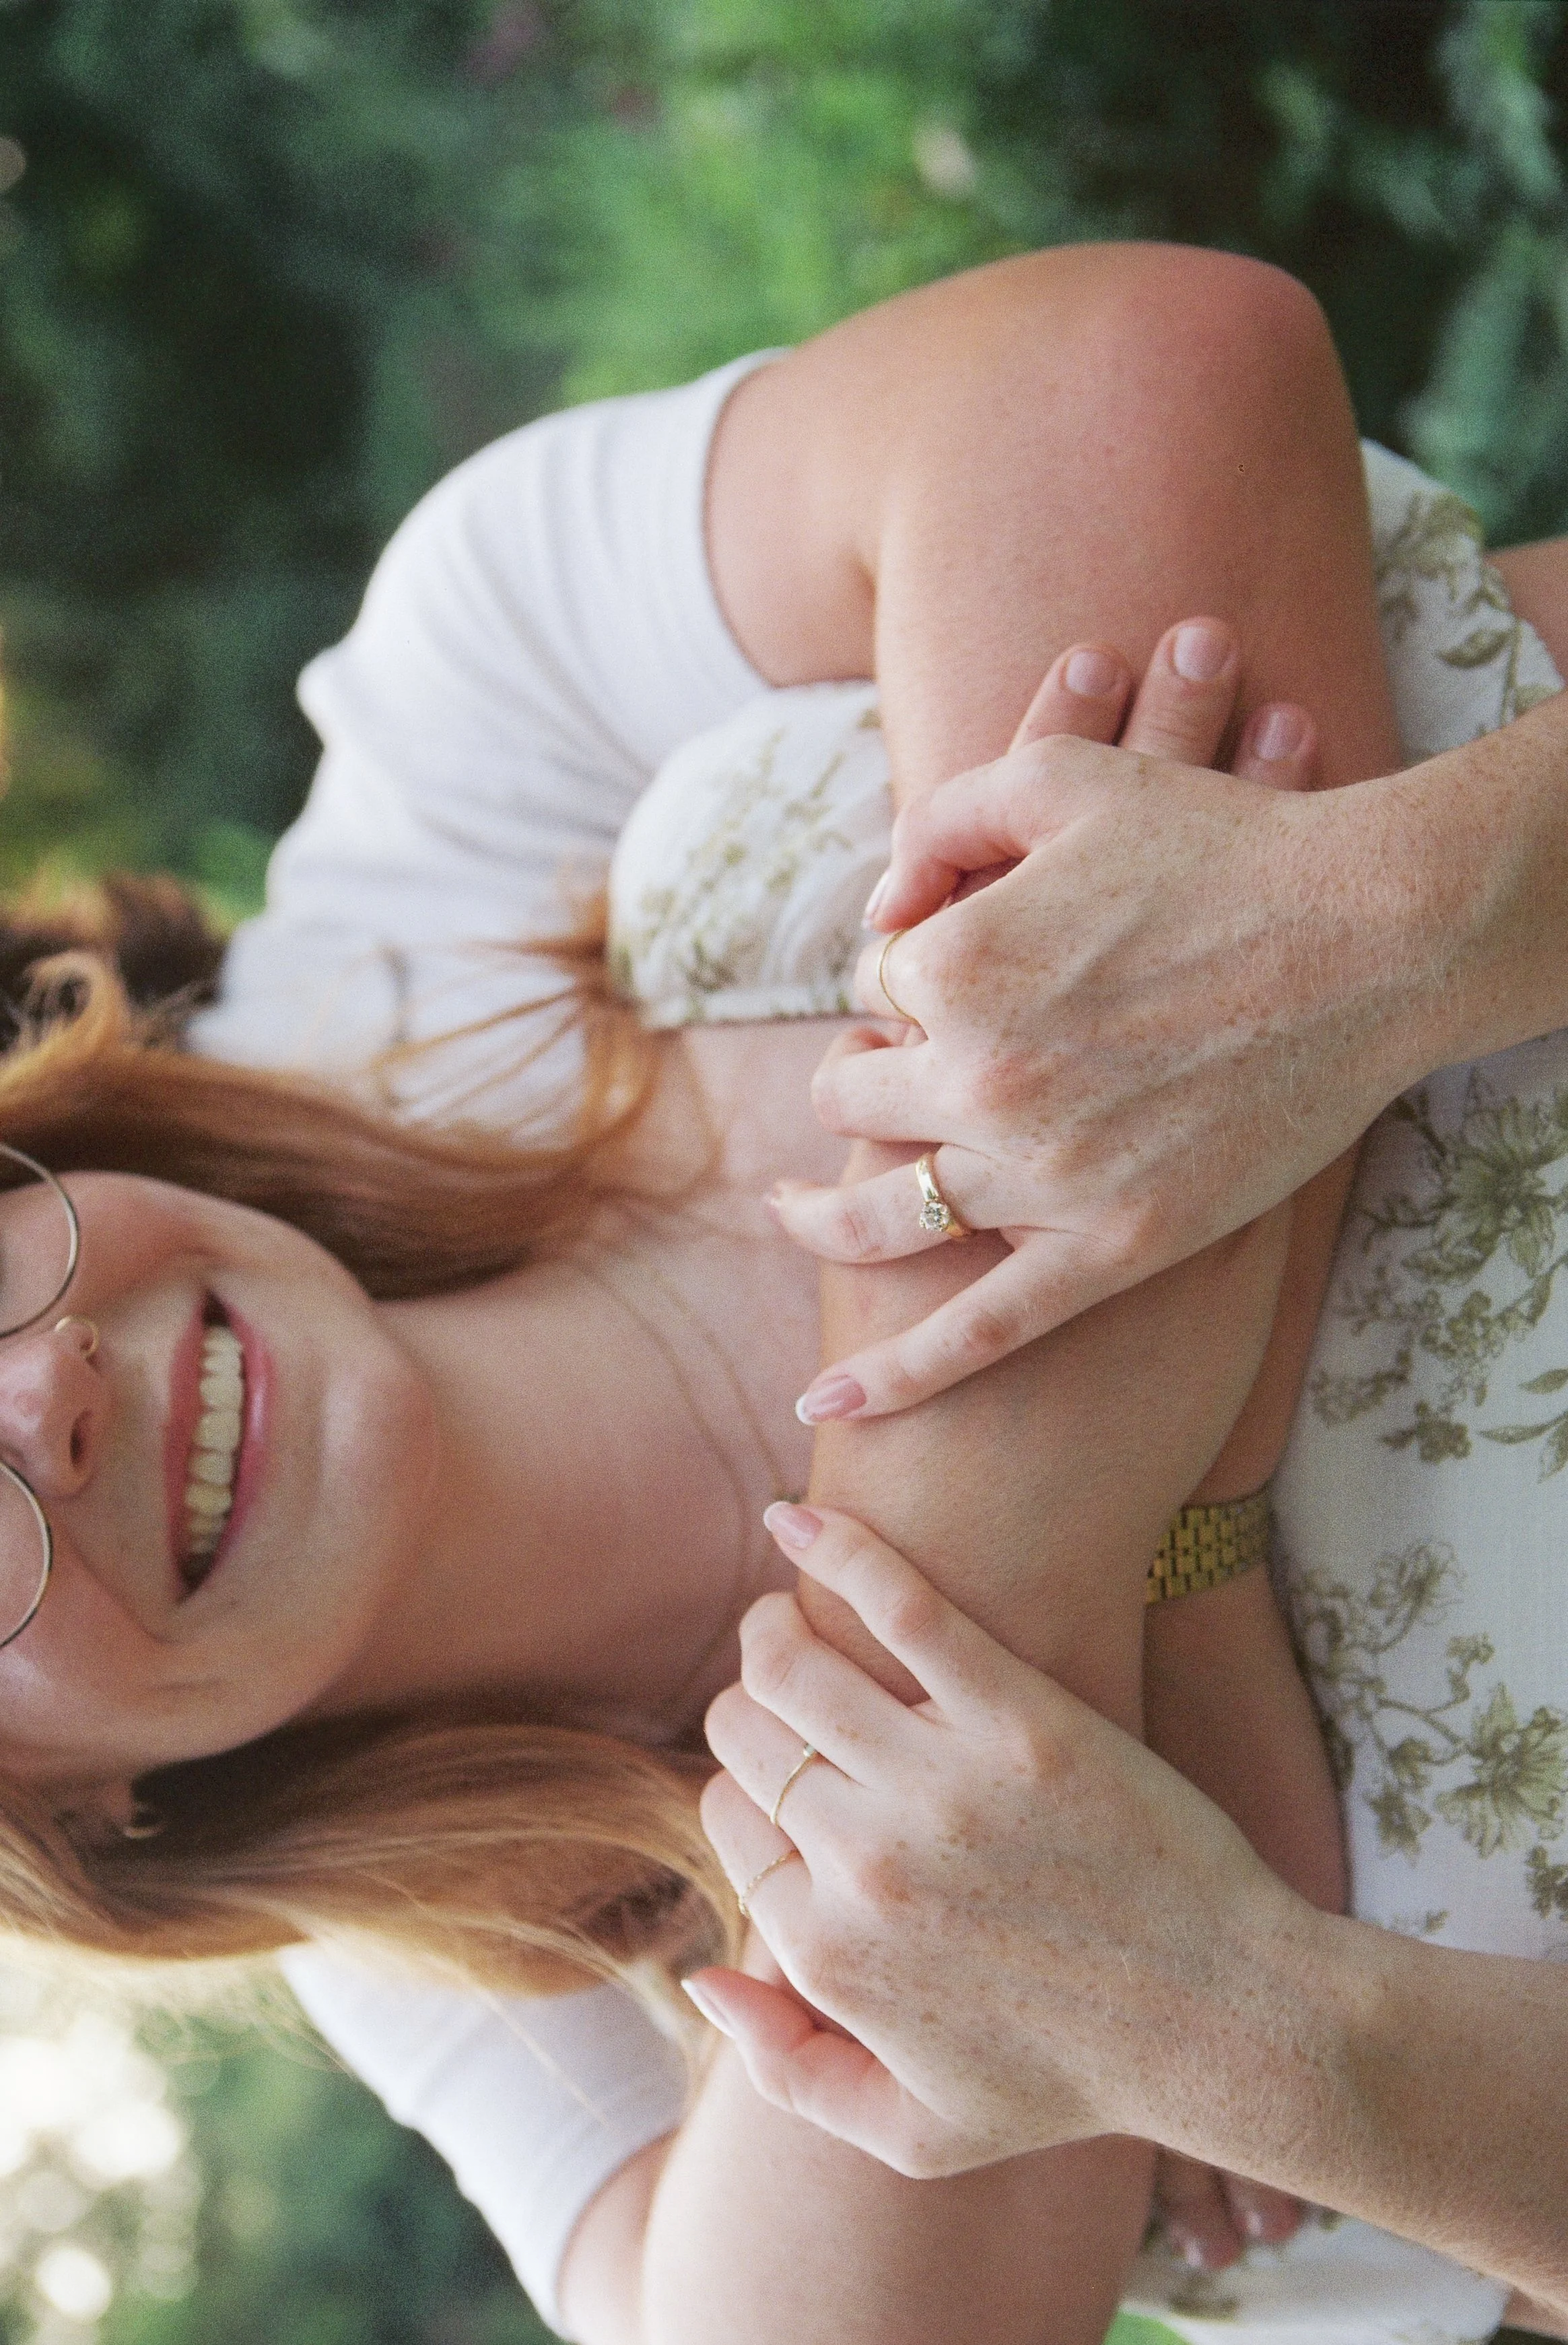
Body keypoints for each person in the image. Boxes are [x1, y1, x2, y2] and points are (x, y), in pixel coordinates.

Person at [0, 243, 1548, 2345]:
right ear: (47, 1823)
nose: (38, 1403)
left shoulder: (439, 781)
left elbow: (1131, 374)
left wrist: (1142, 1561)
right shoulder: (502, 1996)